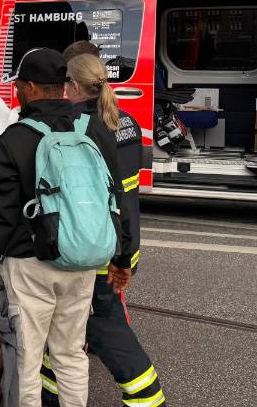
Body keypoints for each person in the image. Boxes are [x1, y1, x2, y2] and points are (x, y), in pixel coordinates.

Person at [0, 47, 122, 407]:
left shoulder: (15, 138)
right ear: (63, 87)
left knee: (29, 359)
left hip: (30, 261)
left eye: (19, 85)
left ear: (32, 88)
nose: (17, 91)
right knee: (70, 354)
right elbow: (114, 196)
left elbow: (1, 215)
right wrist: (122, 253)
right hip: (83, 258)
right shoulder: (94, 128)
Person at [40, 41, 166, 407]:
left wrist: (118, 257)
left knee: (105, 326)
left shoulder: (82, 127)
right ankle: (51, 394)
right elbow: (127, 196)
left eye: (66, 84)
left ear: (75, 86)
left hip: (97, 247)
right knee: (66, 326)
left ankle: (148, 399)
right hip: (123, 242)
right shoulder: (126, 121)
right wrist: (126, 255)